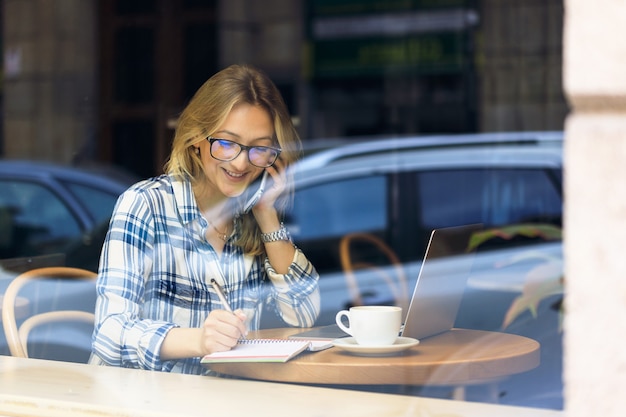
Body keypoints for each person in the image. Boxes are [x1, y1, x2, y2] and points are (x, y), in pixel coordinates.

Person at [90, 64, 320, 375]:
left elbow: (304, 315)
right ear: (197, 139)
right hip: (137, 401)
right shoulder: (146, 205)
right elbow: (109, 333)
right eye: (226, 143)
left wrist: (267, 214)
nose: (241, 162)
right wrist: (200, 340)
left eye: (260, 148)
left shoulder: (248, 220)